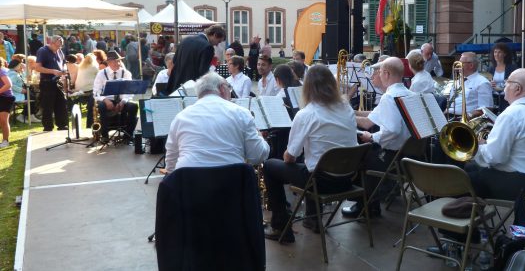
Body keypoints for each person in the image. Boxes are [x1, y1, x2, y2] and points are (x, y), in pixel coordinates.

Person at [263, 65, 358, 242]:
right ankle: (313, 218)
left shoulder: (306, 114)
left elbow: (289, 157)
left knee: (270, 166)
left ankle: (280, 226)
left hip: (321, 183)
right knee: (314, 160)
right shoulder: (346, 108)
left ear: (306, 88)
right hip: (348, 179)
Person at [468, 68, 525, 200]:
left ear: (517, 88)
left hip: (516, 184)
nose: (504, 87)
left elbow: (494, 158)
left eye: (507, 82)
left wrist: (478, 147)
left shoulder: (511, 114)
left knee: (462, 175)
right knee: (472, 169)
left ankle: (453, 214)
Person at [342, 57, 414, 218]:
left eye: (380, 72)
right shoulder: (408, 93)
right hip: (407, 156)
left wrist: (373, 137)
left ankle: (365, 206)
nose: (378, 75)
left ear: (387, 73)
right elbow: (374, 117)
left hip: (392, 157)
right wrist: (349, 113)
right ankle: (371, 204)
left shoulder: (389, 97)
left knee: (356, 156)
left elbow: (389, 129)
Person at [164, 72, 269, 172]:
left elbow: (171, 160)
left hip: (190, 185)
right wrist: (260, 136)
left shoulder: (180, 116)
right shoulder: (241, 113)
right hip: (232, 184)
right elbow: (257, 156)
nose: (230, 93)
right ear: (222, 88)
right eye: (229, 88)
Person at [92, 50, 139, 144]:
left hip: (121, 100)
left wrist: (123, 101)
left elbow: (129, 92)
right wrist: (105, 100)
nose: (118, 63)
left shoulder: (126, 73)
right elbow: (96, 92)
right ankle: (104, 136)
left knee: (134, 106)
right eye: (115, 61)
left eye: (119, 61)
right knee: (101, 106)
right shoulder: (101, 74)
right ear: (109, 63)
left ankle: (128, 135)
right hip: (107, 100)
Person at [166, 25, 226, 94]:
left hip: (176, 86)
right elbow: (203, 73)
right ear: (215, 35)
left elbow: (174, 62)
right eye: (218, 41)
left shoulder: (185, 40)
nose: (217, 45)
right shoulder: (208, 47)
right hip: (191, 89)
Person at [445, 52, 493, 118]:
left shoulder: (482, 83)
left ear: (471, 65)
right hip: (449, 116)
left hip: (465, 119)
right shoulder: (458, 81)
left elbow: (486, 109)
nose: (458, 66)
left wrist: (469, 116)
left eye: (461, 63)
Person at [34, 36, 68, 131]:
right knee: (48, 106)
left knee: (61, 104)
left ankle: (62, 125)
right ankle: (48, 127)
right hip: (47, 82)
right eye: (57, 46)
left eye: (60, 46)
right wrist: (52, 71)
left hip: (58, 82)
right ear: (51, 43)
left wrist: (64, 69)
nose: (59, 48)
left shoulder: (60, 51)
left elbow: (63, 63)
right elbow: (37, 67)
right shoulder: (43, 51)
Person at [0, 58, 14, 148]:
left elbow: (8, 84)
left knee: (3, 120)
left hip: (6, 98)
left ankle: (5, 141)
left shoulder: (1, 71)